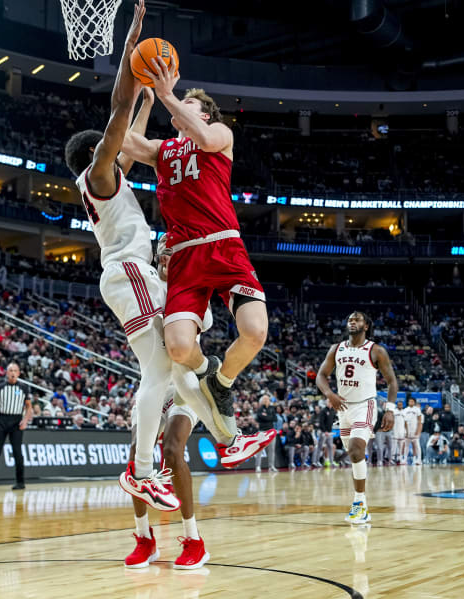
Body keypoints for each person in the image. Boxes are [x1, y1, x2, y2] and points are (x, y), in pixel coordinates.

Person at [64, 4, 273, 511]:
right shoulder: (106, 172)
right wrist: (141, 81)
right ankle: (142, 471)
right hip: (148, 265)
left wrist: (142, 78)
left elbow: (127, 128)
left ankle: (225, 424)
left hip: (211, 247)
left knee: (186, 361)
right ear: (99, 156)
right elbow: (118, 126)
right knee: (161, 370)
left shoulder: (210, 138)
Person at [121, 46, 268, 443]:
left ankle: (222, 382)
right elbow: (124, 142)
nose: (180, 103)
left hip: (223, 246)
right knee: (180, 348)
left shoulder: (219, 134)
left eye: (188, 102)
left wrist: (169, 94)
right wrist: (142, 96)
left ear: (203, 112)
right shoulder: (162, 150)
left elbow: (202, 136)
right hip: (185, 255)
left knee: (255, 332)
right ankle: (206, 371)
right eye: (179, 100)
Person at [316, 311, 396, 525]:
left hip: (365, 405)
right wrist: (330, 394)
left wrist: (390, 409)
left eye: (357, 319)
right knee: (353, 454)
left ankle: (359, 503)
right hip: (343, 407)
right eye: (350, 319)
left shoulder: (376, 350)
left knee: (355, 450)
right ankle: (362, 503)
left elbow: (392, 381)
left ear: (366, 326)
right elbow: (321, 376)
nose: (352, 321)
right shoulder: (337, 349)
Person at [125, 387, 208, 569]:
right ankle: (145, 538)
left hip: (182, 386)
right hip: (152, 386)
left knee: (172, 451)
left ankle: (194, 539)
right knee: (135, 453)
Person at [0, 363, 32, 490]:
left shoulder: (23, 388)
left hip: (16, 421)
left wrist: (25, 420)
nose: (12, 373)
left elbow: (28, 407)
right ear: (6, 373)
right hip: (2, 420)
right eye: (10, 370)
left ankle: (20, 482)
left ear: (19, 373)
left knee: (17, 452)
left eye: (15, 370)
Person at [255, 394, 278, 472]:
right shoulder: (260, 409)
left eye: (267, 399)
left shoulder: (272, 408)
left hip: (271, 432)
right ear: (261, 401)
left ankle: (271, 466)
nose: (266, 400)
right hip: (262, 432)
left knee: (272, 450)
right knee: (260, 449)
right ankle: (258, 466)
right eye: (264, 399)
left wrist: (267, 416)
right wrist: (268, 417)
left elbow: (275, 419)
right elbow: (260, 417)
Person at [403, 397, 422, 465]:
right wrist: (405, 431)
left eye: (412, 401)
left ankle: (419, 459)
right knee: (406, 446)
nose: (411, 402)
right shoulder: (405, 410)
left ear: (414, 402)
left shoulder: (417, 410)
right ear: (408, 402)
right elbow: (404, 422)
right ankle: (405, 459)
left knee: (417, 445)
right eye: (409, 401)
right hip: (408, 430)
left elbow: (419, 421)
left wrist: (418, 430)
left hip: (415, 429)